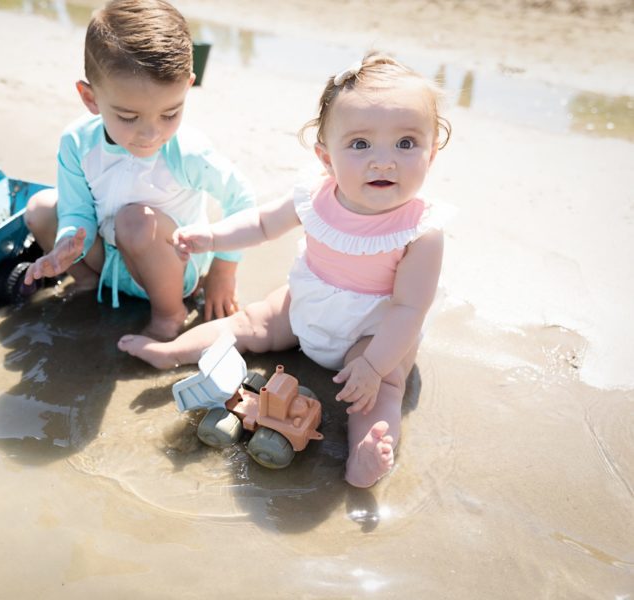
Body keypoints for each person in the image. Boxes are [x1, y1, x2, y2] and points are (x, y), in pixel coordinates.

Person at [118, 52, 453, 487]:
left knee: (383, 388)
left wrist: (373, 365)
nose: (383, 161)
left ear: (431, 155)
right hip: (307, 302)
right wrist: (212, 237)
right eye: (360, 144)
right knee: (248, 322)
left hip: (376, 331)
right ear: (326, 158)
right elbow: (260, 224)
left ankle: (367, 453)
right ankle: (173, 351)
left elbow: (409, 308)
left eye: (406, 143)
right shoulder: (315, 196)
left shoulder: (421, 231)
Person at [23, 0, 255, 341]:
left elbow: (241, 198)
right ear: (90, 98)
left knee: (133, 221)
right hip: (108, 264)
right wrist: (65, 246)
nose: (151, 134)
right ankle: (88, 285)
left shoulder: (187, 152)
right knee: (41, 209)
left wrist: (223, 270)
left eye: (170, 113)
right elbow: (76, 212)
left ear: (187, 86)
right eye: (128, 118)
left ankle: (169, 314)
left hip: (175, 272)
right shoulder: (78, 143)